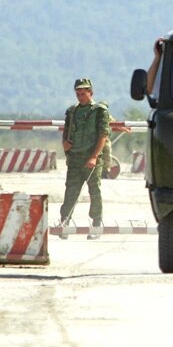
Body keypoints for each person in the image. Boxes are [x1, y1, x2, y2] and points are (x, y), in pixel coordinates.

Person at [60, 78, 110, 234]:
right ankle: (65, 223)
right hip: (75, 157)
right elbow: (66, 131)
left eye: (83, 93)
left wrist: (94, 157)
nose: (80, 96)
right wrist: (65, 143)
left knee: (94, 191)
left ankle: (96, 223)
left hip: (92, 157)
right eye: (78, 93)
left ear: (91, 93)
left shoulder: (99, 111)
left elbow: (103, 135)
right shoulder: (72, 111)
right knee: (71, 191)